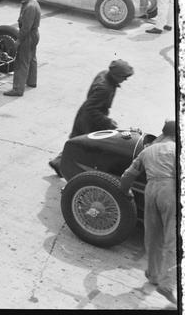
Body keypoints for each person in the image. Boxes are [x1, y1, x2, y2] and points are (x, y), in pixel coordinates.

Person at [119, 119, 177, 306]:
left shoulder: (148, 150)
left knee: (152, 235)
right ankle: (167, 283)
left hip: (150, 190)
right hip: (170, 190)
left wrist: (125, 191)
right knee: (173, 239)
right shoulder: (177, 150)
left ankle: (153, 275)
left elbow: (127, 176)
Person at [47, 59, 134, 175]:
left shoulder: (103, 74)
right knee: (85, 146)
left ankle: (58, 162)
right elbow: (91, 108)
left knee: (77, 142)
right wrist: (107, 121)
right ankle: (70, 167)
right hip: (90, 120)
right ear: (115, 75)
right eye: (123, 76)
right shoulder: (104, 88)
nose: (125, 79)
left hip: (87, 116)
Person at [3, 0, 41, 97]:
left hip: (28, 35)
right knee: (31, 58)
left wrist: (18, 41)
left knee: (21, 62)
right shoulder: (33, 2)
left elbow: (26, 28)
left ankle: (18, 89)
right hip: (34, 35)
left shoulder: (30, 7)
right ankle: (31, 81)